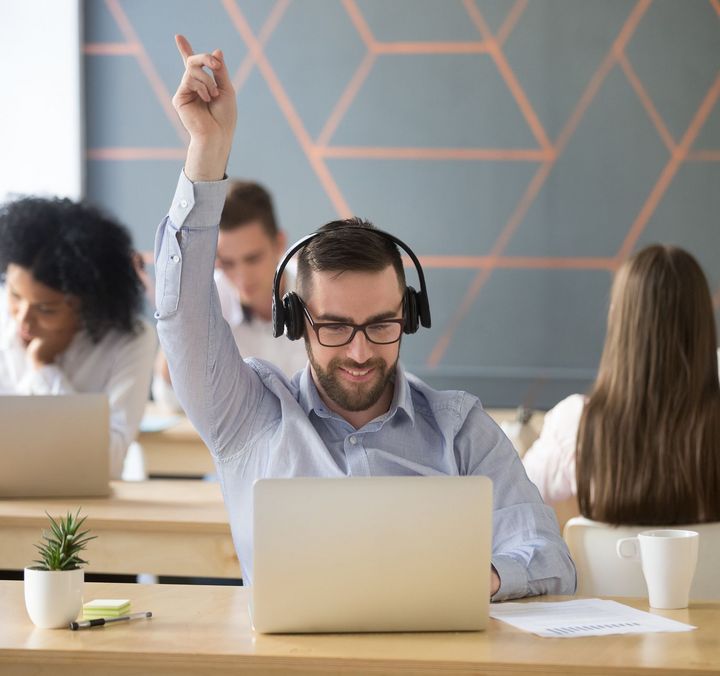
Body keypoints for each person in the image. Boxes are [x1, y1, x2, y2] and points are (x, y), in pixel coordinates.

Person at [154, 34, 575, 599]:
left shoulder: (459, 429)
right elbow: (182, 320)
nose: (359, 352)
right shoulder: (247, 416)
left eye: (381, 325)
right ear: (298, 321)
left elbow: (549, 557)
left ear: (410, 315)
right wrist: (206, 148)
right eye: (334, 327)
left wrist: (480, 578)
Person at [523, 245, 720, 525]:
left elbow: (510, 504)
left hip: (607, 571)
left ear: (617, 318)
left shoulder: (575, 423)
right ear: (703, 325)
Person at [0, 196, 156, 479]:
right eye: (14, 294)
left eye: (46, 308)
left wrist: (44, 368)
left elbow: (107, 459)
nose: (22, 317)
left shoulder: (129, 340)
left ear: (88, 303)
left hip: (85, 513)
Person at [152, 179, 306, 411]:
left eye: (252, 259)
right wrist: (178, 321)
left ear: (279, 243)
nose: (242, 276)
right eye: (227, 264)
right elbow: (169, 400)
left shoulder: (318, 293)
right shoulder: (207, 298)